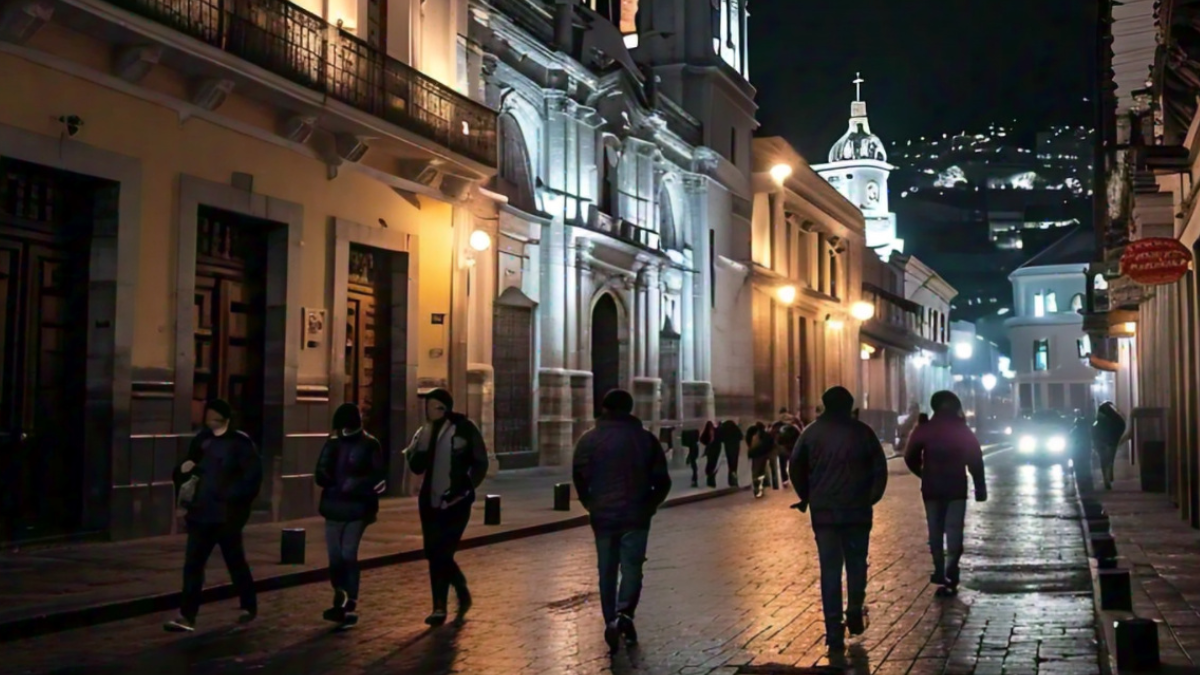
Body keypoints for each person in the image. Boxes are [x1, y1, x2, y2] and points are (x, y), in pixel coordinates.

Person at [789, 387, 888, 652]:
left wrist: (806, 496)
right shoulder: (863, 432)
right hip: (857, 511)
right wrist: (871, 498)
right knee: (856, 563)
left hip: (824, 513)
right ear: (850, 406)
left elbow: (795, 466)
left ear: (824, 405)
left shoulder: (810, 433)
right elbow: (880, 469)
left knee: (830, 570)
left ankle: (833, 630)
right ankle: (855, 606)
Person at [573, 389, 672, 653]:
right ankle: (625, 612)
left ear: (604, 408)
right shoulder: (646, 440)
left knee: (606, 569)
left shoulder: (588, 440)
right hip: (636, 516)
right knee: (632, 567)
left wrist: (590, 503)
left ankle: (610, 620)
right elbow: (662, 481)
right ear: (630, 409)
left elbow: (580, 475)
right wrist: (649, 506)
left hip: (603, 515)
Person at [164, 399, 263, 632]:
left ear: (226, 419)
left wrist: (230, 499)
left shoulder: (240, 443)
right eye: (209, 418)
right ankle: (187, 616)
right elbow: (186, 471)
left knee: (235, 562)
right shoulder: (202, 440)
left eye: (215, 418)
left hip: (226, 516)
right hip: (201, 514)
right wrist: (182, 471)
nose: (211, 422)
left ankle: (249, 605)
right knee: (193, 566)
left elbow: (252, 480)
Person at [404, 388, 489, 626]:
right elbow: (417, 467)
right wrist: (419, 449)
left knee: (443, 551)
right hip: (430, 500)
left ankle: (453, 595)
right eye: (428, 407)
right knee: (433, 552)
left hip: (457, 501)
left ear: (445, 407)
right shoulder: (424, 433)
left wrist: (466, 488)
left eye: (436, 406)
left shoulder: (464, 428)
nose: (431, 411)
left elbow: (480, 462)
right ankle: (441, 605)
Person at [903, 391, 987, 598]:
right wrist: (980, 487)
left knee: (935, 531)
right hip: (956, 487)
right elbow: (975, 459)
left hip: (931, 488)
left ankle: (939, 569)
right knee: (954, 530)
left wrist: (922, 473)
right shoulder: (962, 429)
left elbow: (910, 455)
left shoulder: (925, 428)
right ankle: (952, 568)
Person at [315, 403, 387, 628]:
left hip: (357, 508)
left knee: (348, 553)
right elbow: (321, 470)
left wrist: (355, 485)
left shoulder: (369, 444)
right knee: (335, 555)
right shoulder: (333, 443)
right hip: (334, 505)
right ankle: (340, 593)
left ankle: (350, 599)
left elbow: (377, 476)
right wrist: (330, 480)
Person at [1092, 402, 1126, 490]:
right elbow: (1121, 426)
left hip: (1101, 442)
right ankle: (1109, 476)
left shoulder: (1098, 421)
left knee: (1103, 461)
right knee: (1109, 460)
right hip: (1110, 443)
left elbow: (1094, 432)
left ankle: (1106, 478)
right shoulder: (1116, 419)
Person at [708, 420, 743, 487]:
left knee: (729, 464)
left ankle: (730, 480)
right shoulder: (734, 428)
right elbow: (740, 436)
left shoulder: (723, 428)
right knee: (733, 465)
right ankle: (733, 480)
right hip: (734, 447)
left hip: (728, 446)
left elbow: (719, 437)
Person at [747, 422, 775, 498]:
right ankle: (760, 489)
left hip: (755, 455)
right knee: (761, 472)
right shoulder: (765, 435)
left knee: (756, 473)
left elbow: (749, 444)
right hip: (762, 455)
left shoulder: (753, 434)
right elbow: (770, 445)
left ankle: (757, 490)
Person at [699, 421, 718, 488]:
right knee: (711, 466)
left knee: (712, 466)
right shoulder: (713, 434)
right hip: (712, 452)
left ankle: (711, 481)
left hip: (713, 452)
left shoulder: (713, 434)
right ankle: (711, 481)